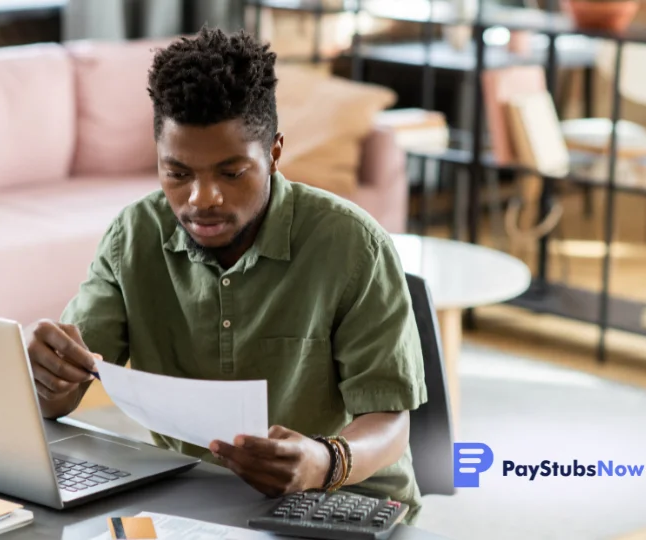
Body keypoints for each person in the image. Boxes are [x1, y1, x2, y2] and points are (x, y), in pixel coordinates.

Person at [26, 26, 428, 522]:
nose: (201, 199)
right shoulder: (132, 238)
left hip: (345, 504)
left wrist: (322, 462)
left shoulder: (353, 245)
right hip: (197, 506)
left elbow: (390, 421)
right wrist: (47, 374)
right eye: (177, 173)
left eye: (231, 173)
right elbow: (65, 391)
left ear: (275, 152)